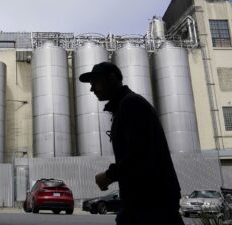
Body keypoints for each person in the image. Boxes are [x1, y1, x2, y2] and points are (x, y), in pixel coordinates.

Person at [79, 62, 185, 225]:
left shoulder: (131, 104)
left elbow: (139, 154)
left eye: (95, 82)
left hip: (152, 200)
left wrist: (108, 176)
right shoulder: (123, 106)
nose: (92, 89)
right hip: (142, 200)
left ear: (112, 78)